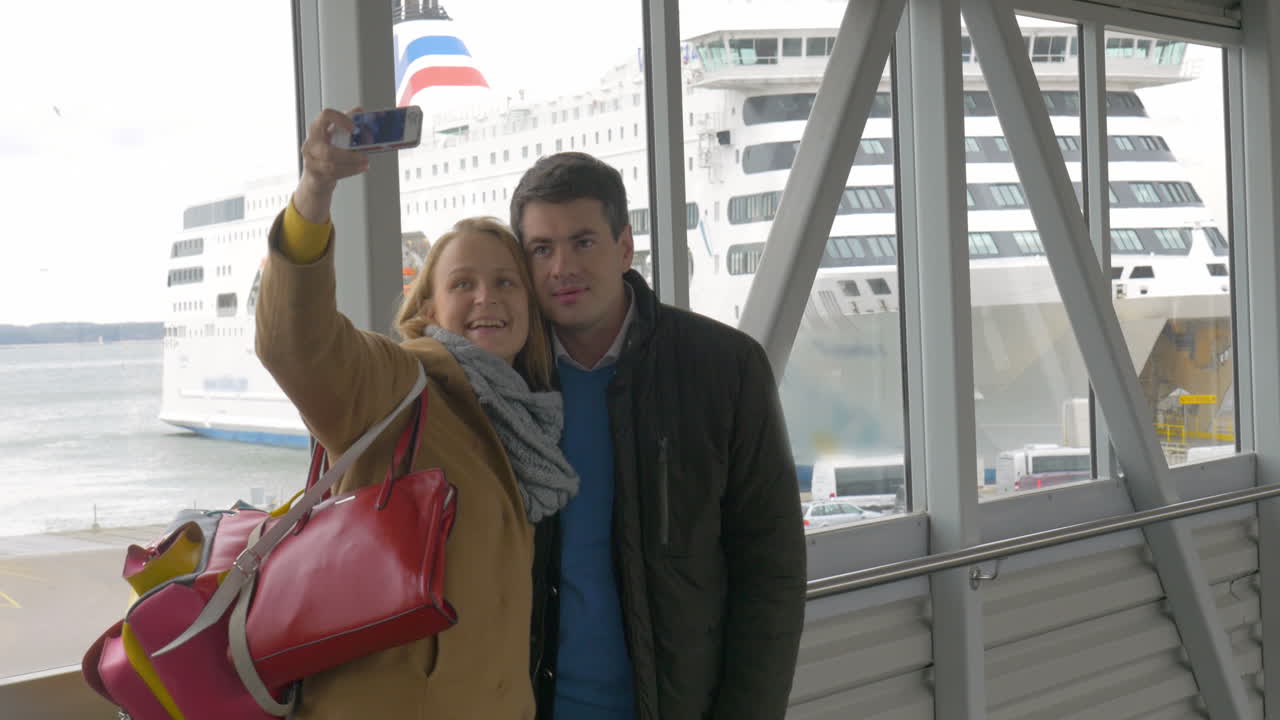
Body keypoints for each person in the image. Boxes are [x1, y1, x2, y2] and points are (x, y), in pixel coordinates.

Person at [254, 108, 578, 719]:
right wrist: (314, 195)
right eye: (464, 284)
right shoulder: (400, 383)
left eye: (507, 283)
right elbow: (295, 345)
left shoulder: (527, 425)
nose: (488, 298)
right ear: (428, 305)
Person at [511, 152, 808, 720]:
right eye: (541, 249)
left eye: (583, 242)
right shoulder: (508, 382)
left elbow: (771, 571)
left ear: (625, 248)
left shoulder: (724, 367)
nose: (560, 268)